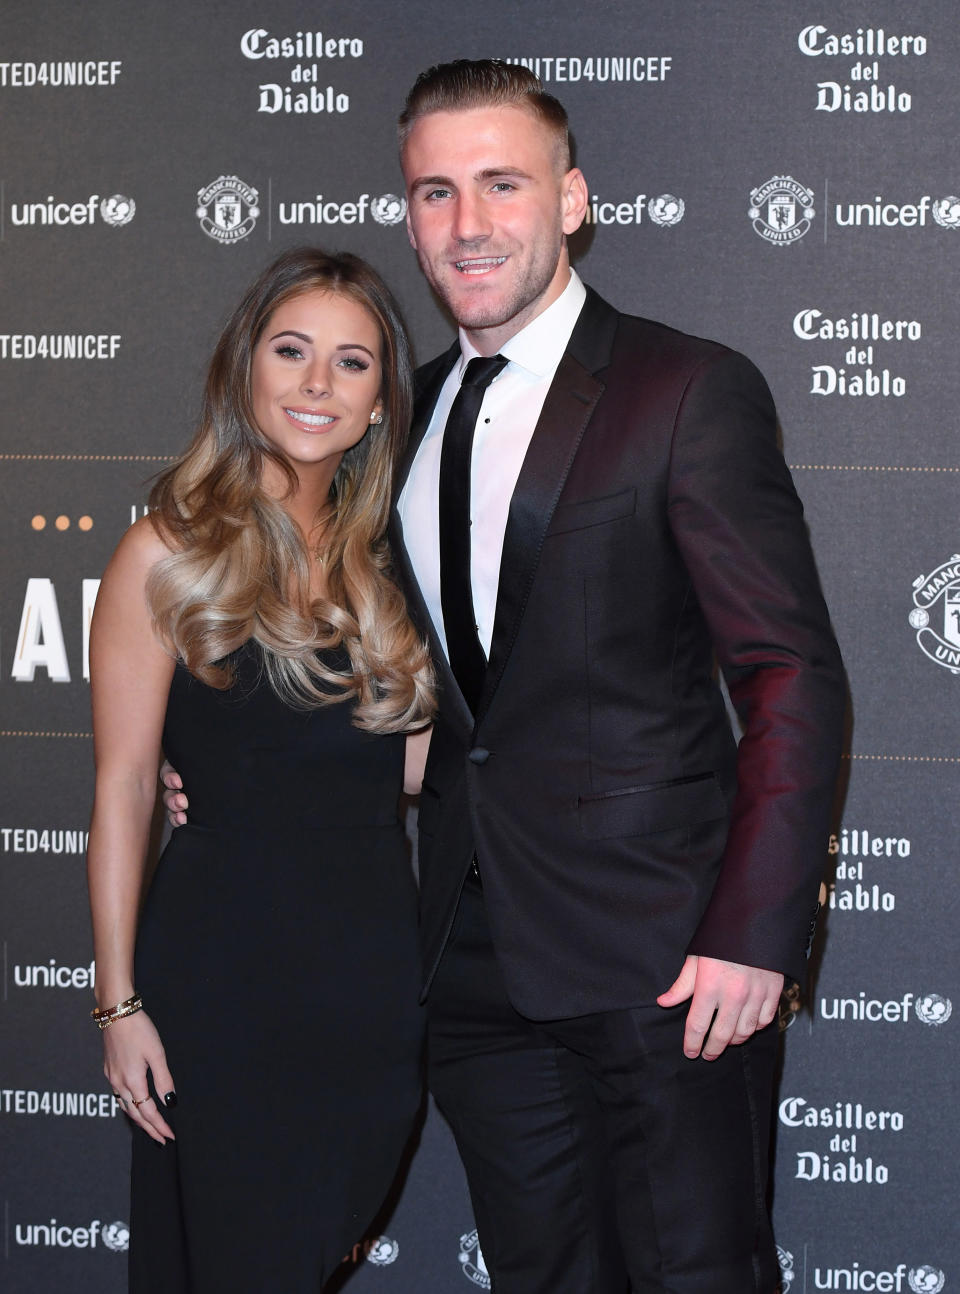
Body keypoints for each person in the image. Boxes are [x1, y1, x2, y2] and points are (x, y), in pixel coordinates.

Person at [165, 60, 845, 1293]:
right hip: (468, 971)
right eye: (434, 192)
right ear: (410, 217)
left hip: (668, 964)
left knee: (699, 1271)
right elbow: (368, 675)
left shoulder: (685, 390)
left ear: (572, 198)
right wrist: (214, 764)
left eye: (501, 184)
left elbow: (790, 670)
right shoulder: (397, 422)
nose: (468, 224)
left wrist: (757, 932)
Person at [87, 247, 433, 1294]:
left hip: (369, 984)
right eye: (291, 352)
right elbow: (125, 787)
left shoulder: (397, 565)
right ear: (247, 371)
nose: (317, 384)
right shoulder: (167, 552)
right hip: (222, 982)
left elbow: (420, 769)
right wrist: (118, 1002)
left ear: (380, 404)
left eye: (352, 363)